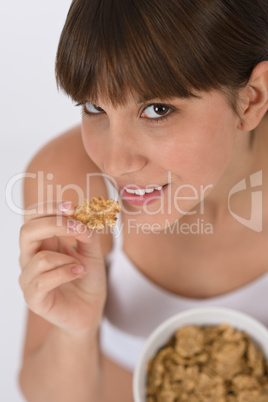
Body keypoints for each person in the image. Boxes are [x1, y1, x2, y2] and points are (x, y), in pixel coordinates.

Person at [18, 0, 268, 401]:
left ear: (252, 98)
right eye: (94, 107)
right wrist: (75, 329)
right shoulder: (71, 180)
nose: (114, 163)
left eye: (157, 109)